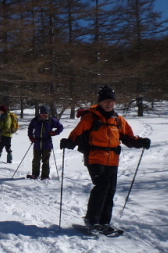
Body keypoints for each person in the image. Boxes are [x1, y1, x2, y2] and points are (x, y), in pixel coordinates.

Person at [60, 86, 151, 232]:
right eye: (106, 101)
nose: (109, 104)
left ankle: (104, 222)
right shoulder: (91, 116)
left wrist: (140, 142)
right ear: (100, 102)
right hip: (94, 157)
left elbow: (128, 137)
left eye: (111, 101)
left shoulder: (118, 120)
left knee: (110, 190)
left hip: (113, 159)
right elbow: (78, 132)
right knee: (102, 185)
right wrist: (70, 142)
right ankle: (92, 220)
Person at [27, 105, 64, 180]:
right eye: (42, 113)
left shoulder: (51, 120)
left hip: (47, 143)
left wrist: (55, 133)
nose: (44, 114)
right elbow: (30, 128)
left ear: (48, 113)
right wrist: (31, 137)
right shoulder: (35, 120)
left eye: (45, 113)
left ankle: (45, 176)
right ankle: (35, 174)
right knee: (36, 160)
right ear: (40, 113)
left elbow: (61, 127)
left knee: (45, 160)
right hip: (37, 142)